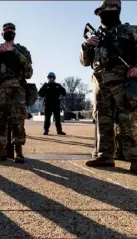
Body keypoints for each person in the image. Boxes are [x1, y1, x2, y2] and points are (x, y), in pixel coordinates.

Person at [80, 0, 137, 174]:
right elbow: (85, 62)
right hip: (100, 85)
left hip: (123, 83)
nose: (103, 15)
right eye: (101, 12)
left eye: (107, 10)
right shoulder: (97, 37)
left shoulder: (130, 31)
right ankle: (105, 156)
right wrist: (86, 46)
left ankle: (135, 158)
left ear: (117, 10)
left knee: (128, 121)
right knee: (102, 121)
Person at [0, 23, 33, 163]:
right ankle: (1, 150)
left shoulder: (22, 50)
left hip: (18, 89)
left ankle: (19, 151)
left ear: (14, 34)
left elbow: (29, 70)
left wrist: (14, 52)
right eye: (6, 31)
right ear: (2, 34)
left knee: (18, 121)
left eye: (11, 31)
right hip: (0, 89)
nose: (8, 33)